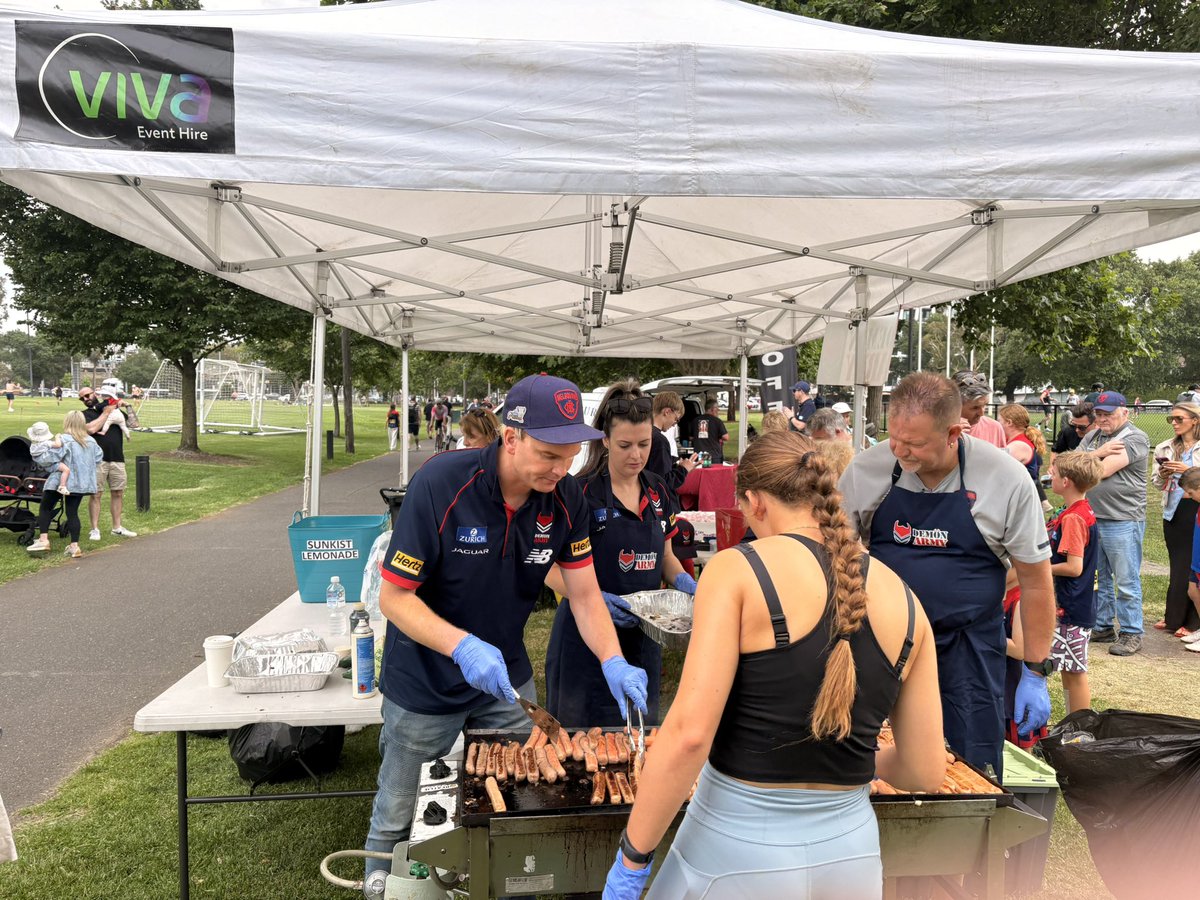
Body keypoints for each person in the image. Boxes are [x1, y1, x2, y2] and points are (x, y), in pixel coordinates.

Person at [602, 431, 945, 900]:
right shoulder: (907, 600)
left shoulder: (736, 569)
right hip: (852, 859)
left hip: (733, 852)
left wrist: (632, 857)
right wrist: (848, 754)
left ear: (755, 501)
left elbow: (689, 736)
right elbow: (925, 771)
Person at [363, 374, 648, 891]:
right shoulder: (442, 484)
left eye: (572, 455)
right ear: (510, 438)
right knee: (398, 810)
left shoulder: (566, 500)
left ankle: (500, 882)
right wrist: (462, 645)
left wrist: (613, 661)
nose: (562, 470)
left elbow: (583, 594)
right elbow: (394, 597)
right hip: (425, 679)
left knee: (523, 796)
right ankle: (379, 883)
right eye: (548, 455)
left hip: (507, 683)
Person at [838, 372, 1054, 776]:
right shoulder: (867, 470)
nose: (900, 451)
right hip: (884, 642)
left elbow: (1036, 581)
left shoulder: (1004, 479)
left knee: (971, 765)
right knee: (867, 756)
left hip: (968, 647)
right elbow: (833, 559)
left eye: (916, 443)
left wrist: (1035, 671)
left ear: (954, 431)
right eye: (895, 437)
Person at [545, 380, 694, 727]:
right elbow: (549, 568)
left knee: (639, 734)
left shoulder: (657, 489)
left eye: (644, 444)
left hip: (645, 633)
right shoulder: (579, 492)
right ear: (606, 441)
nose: (636, 455)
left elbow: (666, 555)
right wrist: (597, 598)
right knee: (581, 741)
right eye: (625, 445)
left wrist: (686, 582)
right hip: (585, 637)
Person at [1077, 391, 1150, 656]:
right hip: (1094, 516)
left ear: (1125, 413)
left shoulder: (1134, 438)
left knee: (1126, 579)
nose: (1102, 418)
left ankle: (1132, 631)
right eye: (1098, 413)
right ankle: (1103, 625)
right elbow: (1069, 464)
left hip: (1123, 518)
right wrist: (1099, 451)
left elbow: (1100, 470)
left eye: (1108, 413)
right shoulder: (1095, 437)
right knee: (1100, 578)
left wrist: (1091, 456)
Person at [1044, 451, 1104, 713]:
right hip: (1075, 604)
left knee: (1074, 674)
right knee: (1069, 670)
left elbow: (1073, 566)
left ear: (1066, 481)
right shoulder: (1078, 510)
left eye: (1054, 474)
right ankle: (1073, 725)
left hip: (1071, 608)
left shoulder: (1074, 518)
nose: (1050, 477)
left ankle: (1078, 728)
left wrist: (1042, 569)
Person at [1151, 402, 1200, 636]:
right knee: (1178, 564)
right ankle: (1174, 615)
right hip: (1173, 510)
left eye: (1179, 419)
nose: (1174, 423)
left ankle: (1192, 621)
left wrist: (1186, 469)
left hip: (1195, 508)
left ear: (1195, 420)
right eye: (1171, 419)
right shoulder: (1165, 447)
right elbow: (1156, 483)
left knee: (1194, 565)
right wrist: (1163, 474)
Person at [24, 411, 102, 558]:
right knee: (72, 513)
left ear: (67, 422)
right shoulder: (91, 441)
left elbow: (47, 459)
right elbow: (98, 458)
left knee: (46, 508)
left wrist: (41, 457)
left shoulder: (64, 439)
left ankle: (43, 540)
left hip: (59, 481)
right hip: (80, 483)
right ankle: (74, 546)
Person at [80, 387, 137, 541]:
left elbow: (133, 424)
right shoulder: (85, 415)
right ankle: (95, 529)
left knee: (118, 493)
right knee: (96, 494)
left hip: (117, 458)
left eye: (87, 395)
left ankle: (117, 527)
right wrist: (106, 412)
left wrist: (127, 406)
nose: (85, 399)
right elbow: (91, 429)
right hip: (97, 460)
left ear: (96, 394)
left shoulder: (116, 410)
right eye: (82, 398)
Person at [646, 390, 696, 510]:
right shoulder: (659, 440)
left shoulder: (642, 433)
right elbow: (662, 482)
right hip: (659, 507)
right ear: (667, 411)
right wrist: (684, 469)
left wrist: (673, 464)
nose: (675, 424)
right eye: (676, 419)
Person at [998, 403, 1051, 514]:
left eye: (1000, 421)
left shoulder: (1017, 445)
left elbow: (994, 470)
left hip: (1021, 504)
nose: (998, 425)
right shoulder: (1020, 440)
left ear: (1009, 422)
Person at [950, 370, 1006, 449]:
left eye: (984, 405)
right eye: (975, 408)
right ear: (955, 405)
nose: (982, 413)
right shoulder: (940, 429)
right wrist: (951, 437)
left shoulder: (995, 428)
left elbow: (1001, 460)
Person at [27, 421, 71, 497]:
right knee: (66, 470)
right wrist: (57, 437)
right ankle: (62, 486)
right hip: (49, 464)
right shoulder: (46, 443)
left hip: (41, 464)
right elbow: (58, 445)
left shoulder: (33, 445)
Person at [1050, 402, 1095, 467]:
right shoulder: (1068, 431)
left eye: (1082, 427)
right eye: (1073, 425)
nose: (1077, 430)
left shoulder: (1102, 437)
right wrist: (1052, 467)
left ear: (1095, 423)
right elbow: (1056, 451)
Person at [689, 398, 728, 464]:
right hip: (714, 455)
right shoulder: (717, 421)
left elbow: (690, 437)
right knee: (713, 473)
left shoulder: (695, 421)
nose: (718, 410)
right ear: (713, 409)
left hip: (699, 455)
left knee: (701, 473)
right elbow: (726, 437)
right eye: (717, 408)